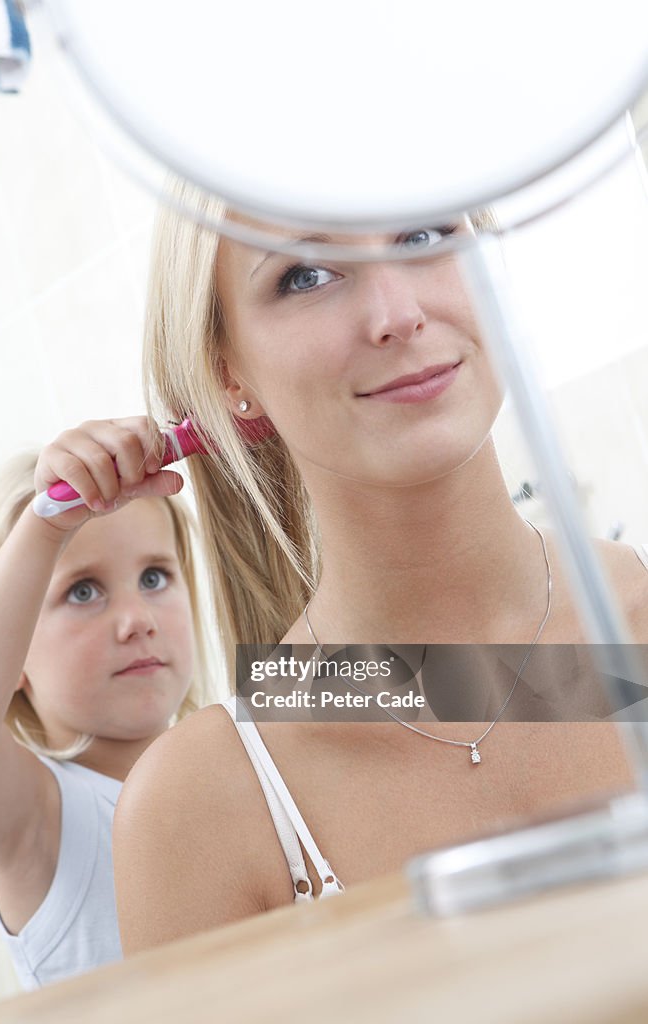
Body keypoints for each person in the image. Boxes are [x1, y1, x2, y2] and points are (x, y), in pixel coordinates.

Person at [112, 183, 648, 953]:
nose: (398, 314)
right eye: (306, 274)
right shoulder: (201, 807)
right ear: (228, 373)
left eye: (426, 235)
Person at [0, 418, 213, 988]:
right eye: (83, 591)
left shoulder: (231, 770)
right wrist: (44, 529)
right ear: (11, 652)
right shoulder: (44, 822)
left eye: (154, 577)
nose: (136, 620)